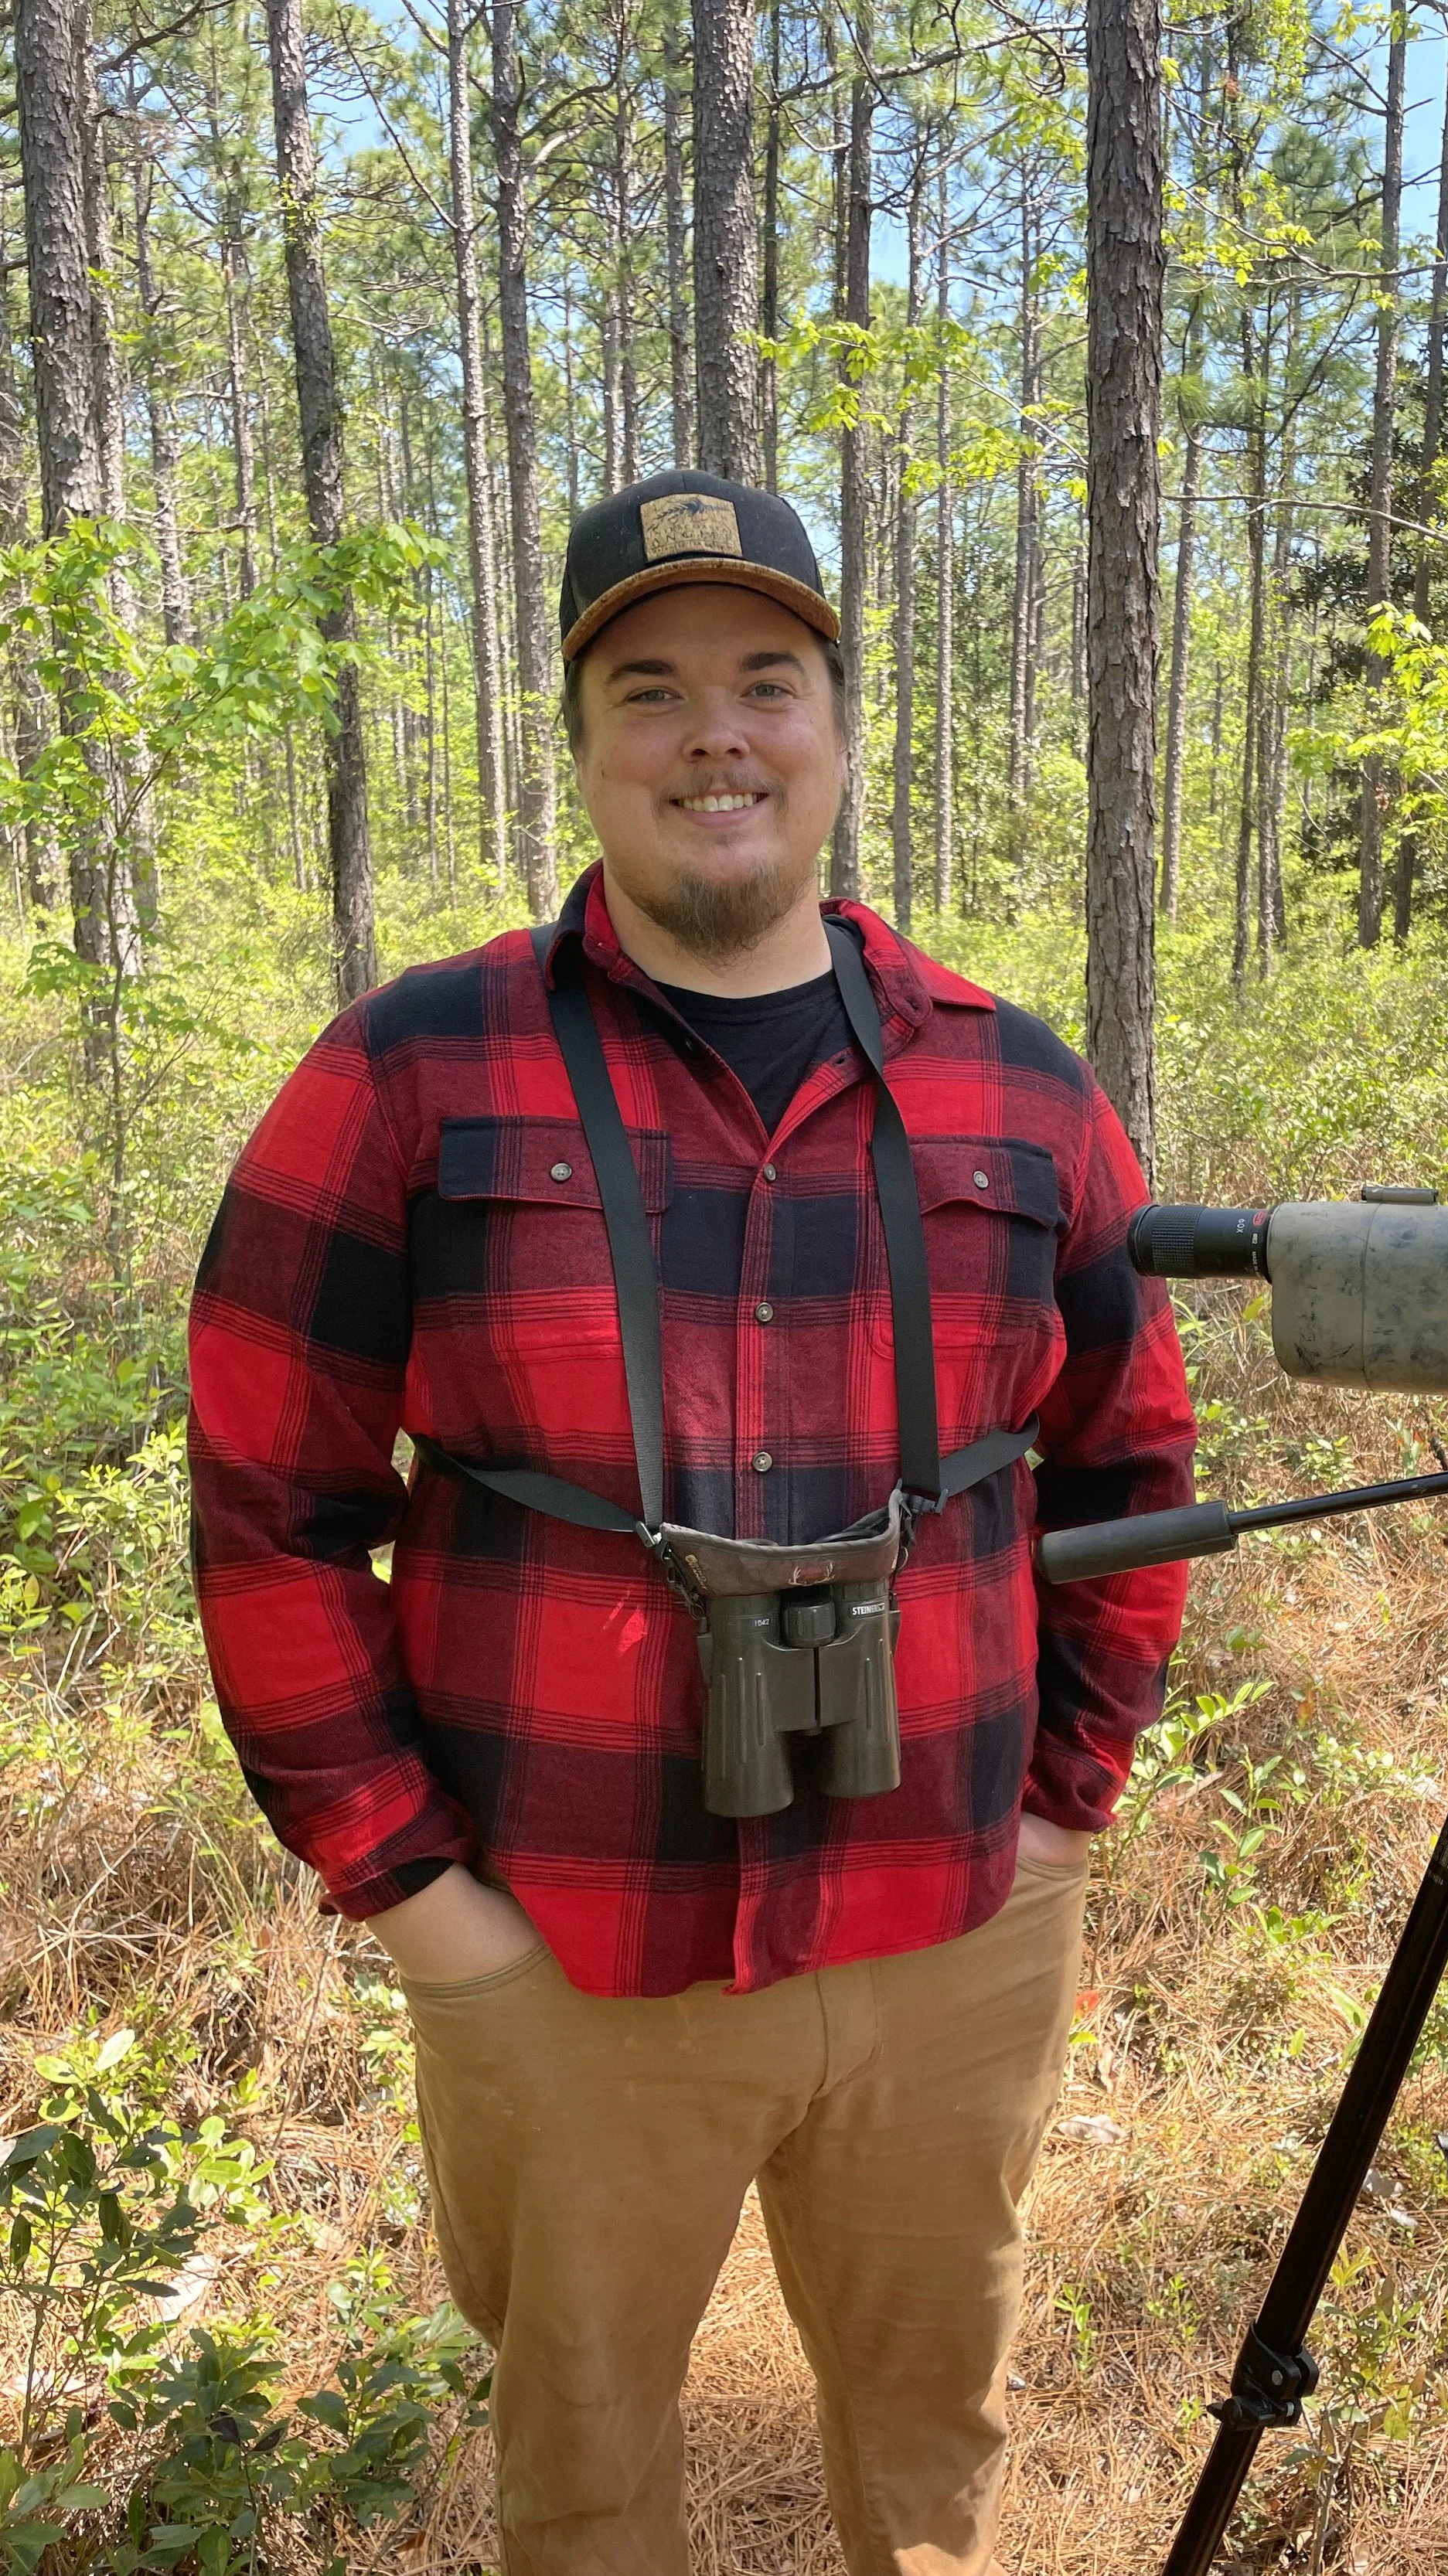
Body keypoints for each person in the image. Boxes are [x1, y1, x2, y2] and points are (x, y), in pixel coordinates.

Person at [188, 466, 1197, 2576]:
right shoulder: (407, 1073)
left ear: (836, 728)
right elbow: (269, 1504)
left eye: (762, 680)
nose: (710, 735)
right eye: (646, 690)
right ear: (580, 745)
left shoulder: (1016, 1085)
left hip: (949, 1924)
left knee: (931, 2460)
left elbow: (1131, 1456)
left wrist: (1062, 1810)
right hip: (565, 1935)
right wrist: (420, 1903)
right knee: (581, 2479)